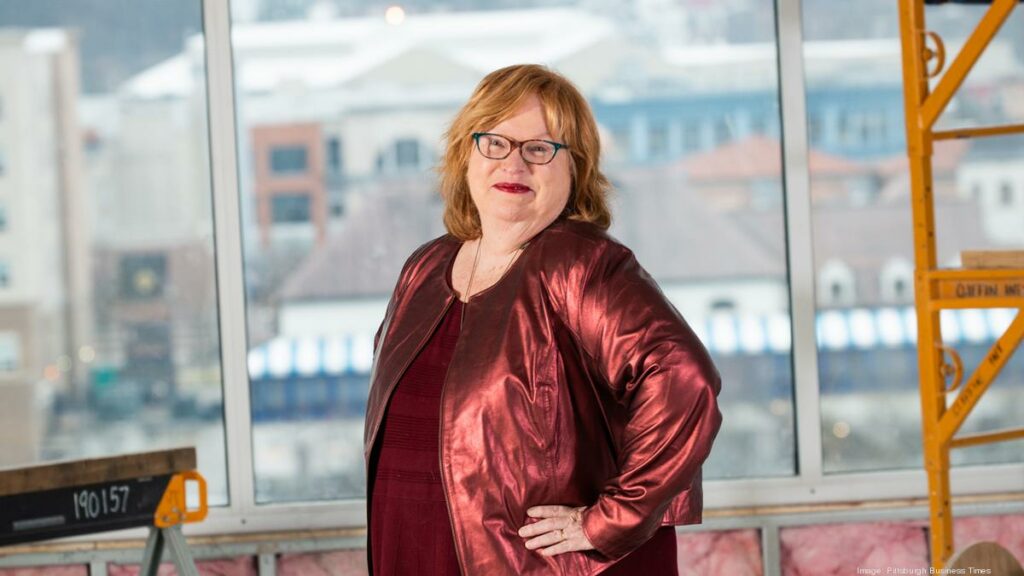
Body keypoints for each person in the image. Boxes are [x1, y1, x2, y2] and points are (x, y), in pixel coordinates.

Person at [364, 64, 722, 575]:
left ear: (574, 168)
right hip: (412, 546)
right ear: (467, 153)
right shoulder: (425, 268)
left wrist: (610, 520)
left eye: (540, 148)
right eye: (496, 142)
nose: (515, 163)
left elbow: (683, 379)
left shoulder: (581, 265)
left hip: (536, 565)